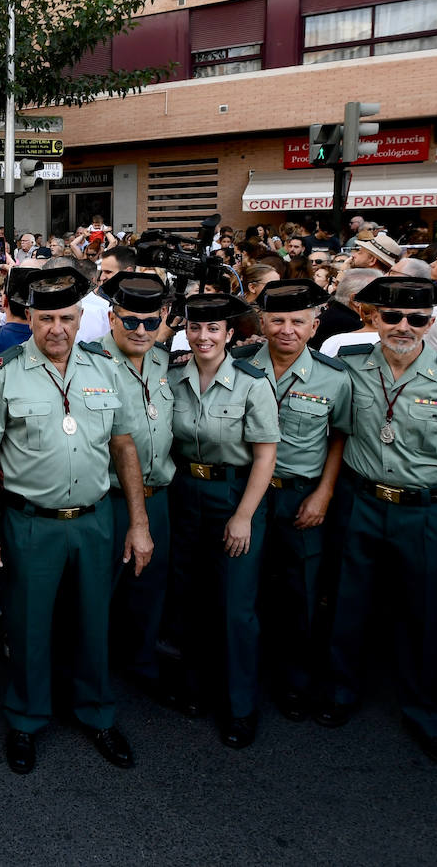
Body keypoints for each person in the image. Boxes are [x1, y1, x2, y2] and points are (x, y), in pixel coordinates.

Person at [0, 266, 152, 774]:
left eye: (67, 318)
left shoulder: (104, 368)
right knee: (29, 627)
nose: (57, 329)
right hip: (31, 524)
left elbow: (123, 446)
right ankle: (26, 721)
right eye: (46, 317)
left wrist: (138, 522)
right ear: (29, 318)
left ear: (81, 319)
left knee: (94, 622)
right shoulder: (4, 369)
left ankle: (97, 713)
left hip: (94, 521)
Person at [319, 277, 437, 771]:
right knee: (347, 604)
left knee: (424, 613)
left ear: (431, 323)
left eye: (417, 319)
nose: (404, 327)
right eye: (393, 316)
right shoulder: (347, 368)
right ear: (373, 317)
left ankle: (425, 713)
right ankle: (340, 692)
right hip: (360, 500)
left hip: (425, 510)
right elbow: (331, 431)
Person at [232, 281, 352, 721]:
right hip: (245, 496)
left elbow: (339, 436)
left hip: (299, 496)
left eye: (298, 322)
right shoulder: (238, 364)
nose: (287, 330)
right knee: (243, 592)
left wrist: (323, 493)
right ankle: (245, 678)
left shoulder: (334, 376)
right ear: (262, 323)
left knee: (300, 593)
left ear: (314, 325)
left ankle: (295, 682)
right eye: (277, 320)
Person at [164, 292, 279, 748]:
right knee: (189, 594)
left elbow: (266, 456)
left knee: (236, 606)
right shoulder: (174, 378)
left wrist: (245, 516)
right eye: (195, 328)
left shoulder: (252, 382)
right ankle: (194, 686)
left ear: (230, 335)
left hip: (234, 494)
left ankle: (240, 707)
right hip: (184, 491)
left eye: (214, 329)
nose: (203, 336)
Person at [98, 273, 178, 706]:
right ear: (112, 319)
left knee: (150, 587)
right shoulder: (89, 363)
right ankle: (93, 674)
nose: (141, 331)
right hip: (108, 499)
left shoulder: (167, 362)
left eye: (150, 322)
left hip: (158, 495)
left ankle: (143, 663)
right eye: (130, 322)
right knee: (99, 592)